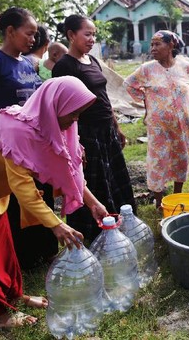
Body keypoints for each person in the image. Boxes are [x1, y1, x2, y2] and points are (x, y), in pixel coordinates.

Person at [0, 77, 109, 329]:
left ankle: (13, 295)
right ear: (54, 105)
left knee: (2, 242)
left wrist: (93, 203)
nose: (75, 120)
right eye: (72, 113)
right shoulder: (18, 130)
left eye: (79, 114)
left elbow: (68, 170)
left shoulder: (51, 128)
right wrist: (56, 225)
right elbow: (24, 188)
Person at [0, 7, 59, 270]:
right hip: (6, 147)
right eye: (29, 33)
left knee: (42, 194)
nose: (33, 39)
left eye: (35, 34)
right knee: (17, 202)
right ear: (10, 31)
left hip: (33, 143)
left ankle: (47, 249)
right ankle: (23, 258)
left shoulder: (28, 63)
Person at [52, 14, 136, 242]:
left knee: (114, 179)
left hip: (106, 129)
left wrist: (115, 126)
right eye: (87, 34)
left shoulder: (93, 61)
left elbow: (103, 97)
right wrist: (74, 143)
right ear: (71, 35)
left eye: (93, 35)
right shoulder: (64, 66)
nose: (91, 39)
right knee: (92, 183)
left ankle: (117, 223)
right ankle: (94, 232)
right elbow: (62, 108)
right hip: (85, 134)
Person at [124, 31, 189, 209]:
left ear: (171, 46)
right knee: (157, 160)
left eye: (157, 44)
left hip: (182, 125)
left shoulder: (184, 66)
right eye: (152, 44)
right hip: (158, 126)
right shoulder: (147, 69)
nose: (153, 48)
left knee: (181, 156)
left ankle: (177, 196)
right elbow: (129, 84)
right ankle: (159, 202)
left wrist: (188, 100)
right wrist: (146, 100)